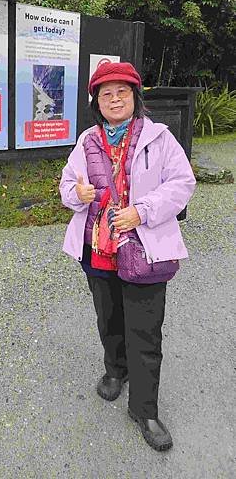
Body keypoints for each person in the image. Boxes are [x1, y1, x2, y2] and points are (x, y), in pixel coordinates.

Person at [59, 61, 196, 451]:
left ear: (135, 98)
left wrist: (144, 210)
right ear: (96, 102)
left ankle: (145, 409)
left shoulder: (159, 138)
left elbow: (183, 182)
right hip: (98, 248)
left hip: (145, 249)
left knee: (146, 331)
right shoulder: (87, 141)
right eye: (106, 93)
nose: (115, 99)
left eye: (122, 92)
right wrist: (77, 195)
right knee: (109, 318)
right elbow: (67, 186)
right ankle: (114, 372)